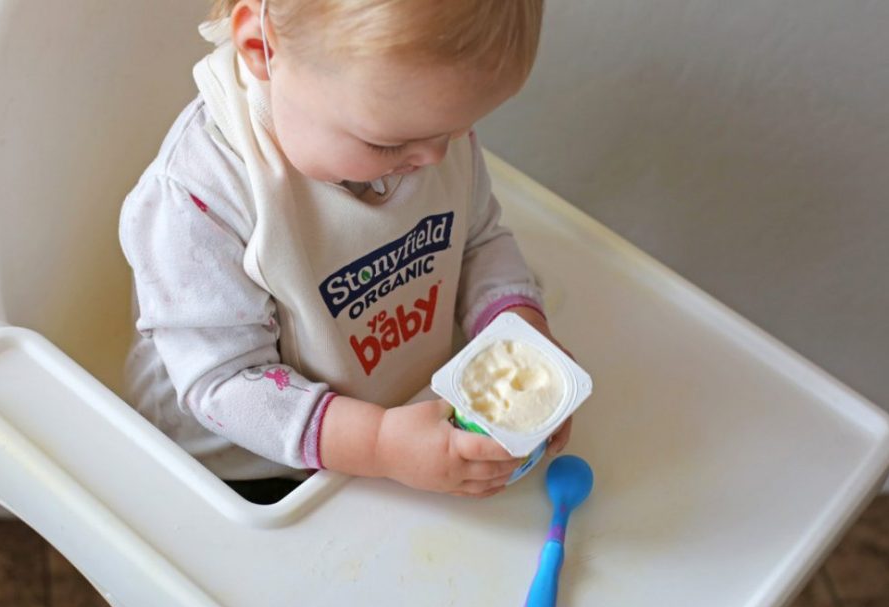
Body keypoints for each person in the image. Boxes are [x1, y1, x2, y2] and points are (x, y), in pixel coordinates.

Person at [119, 0, 572, 502]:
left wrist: (519, 329)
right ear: (261, 47)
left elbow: (477, 240)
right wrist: (377, 444)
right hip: (240, 463)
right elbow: (227, 385)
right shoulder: (196, 199)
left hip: (396, 417)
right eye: (387, 144)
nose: (434, 159)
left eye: (457, 130)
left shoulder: (417, 130)